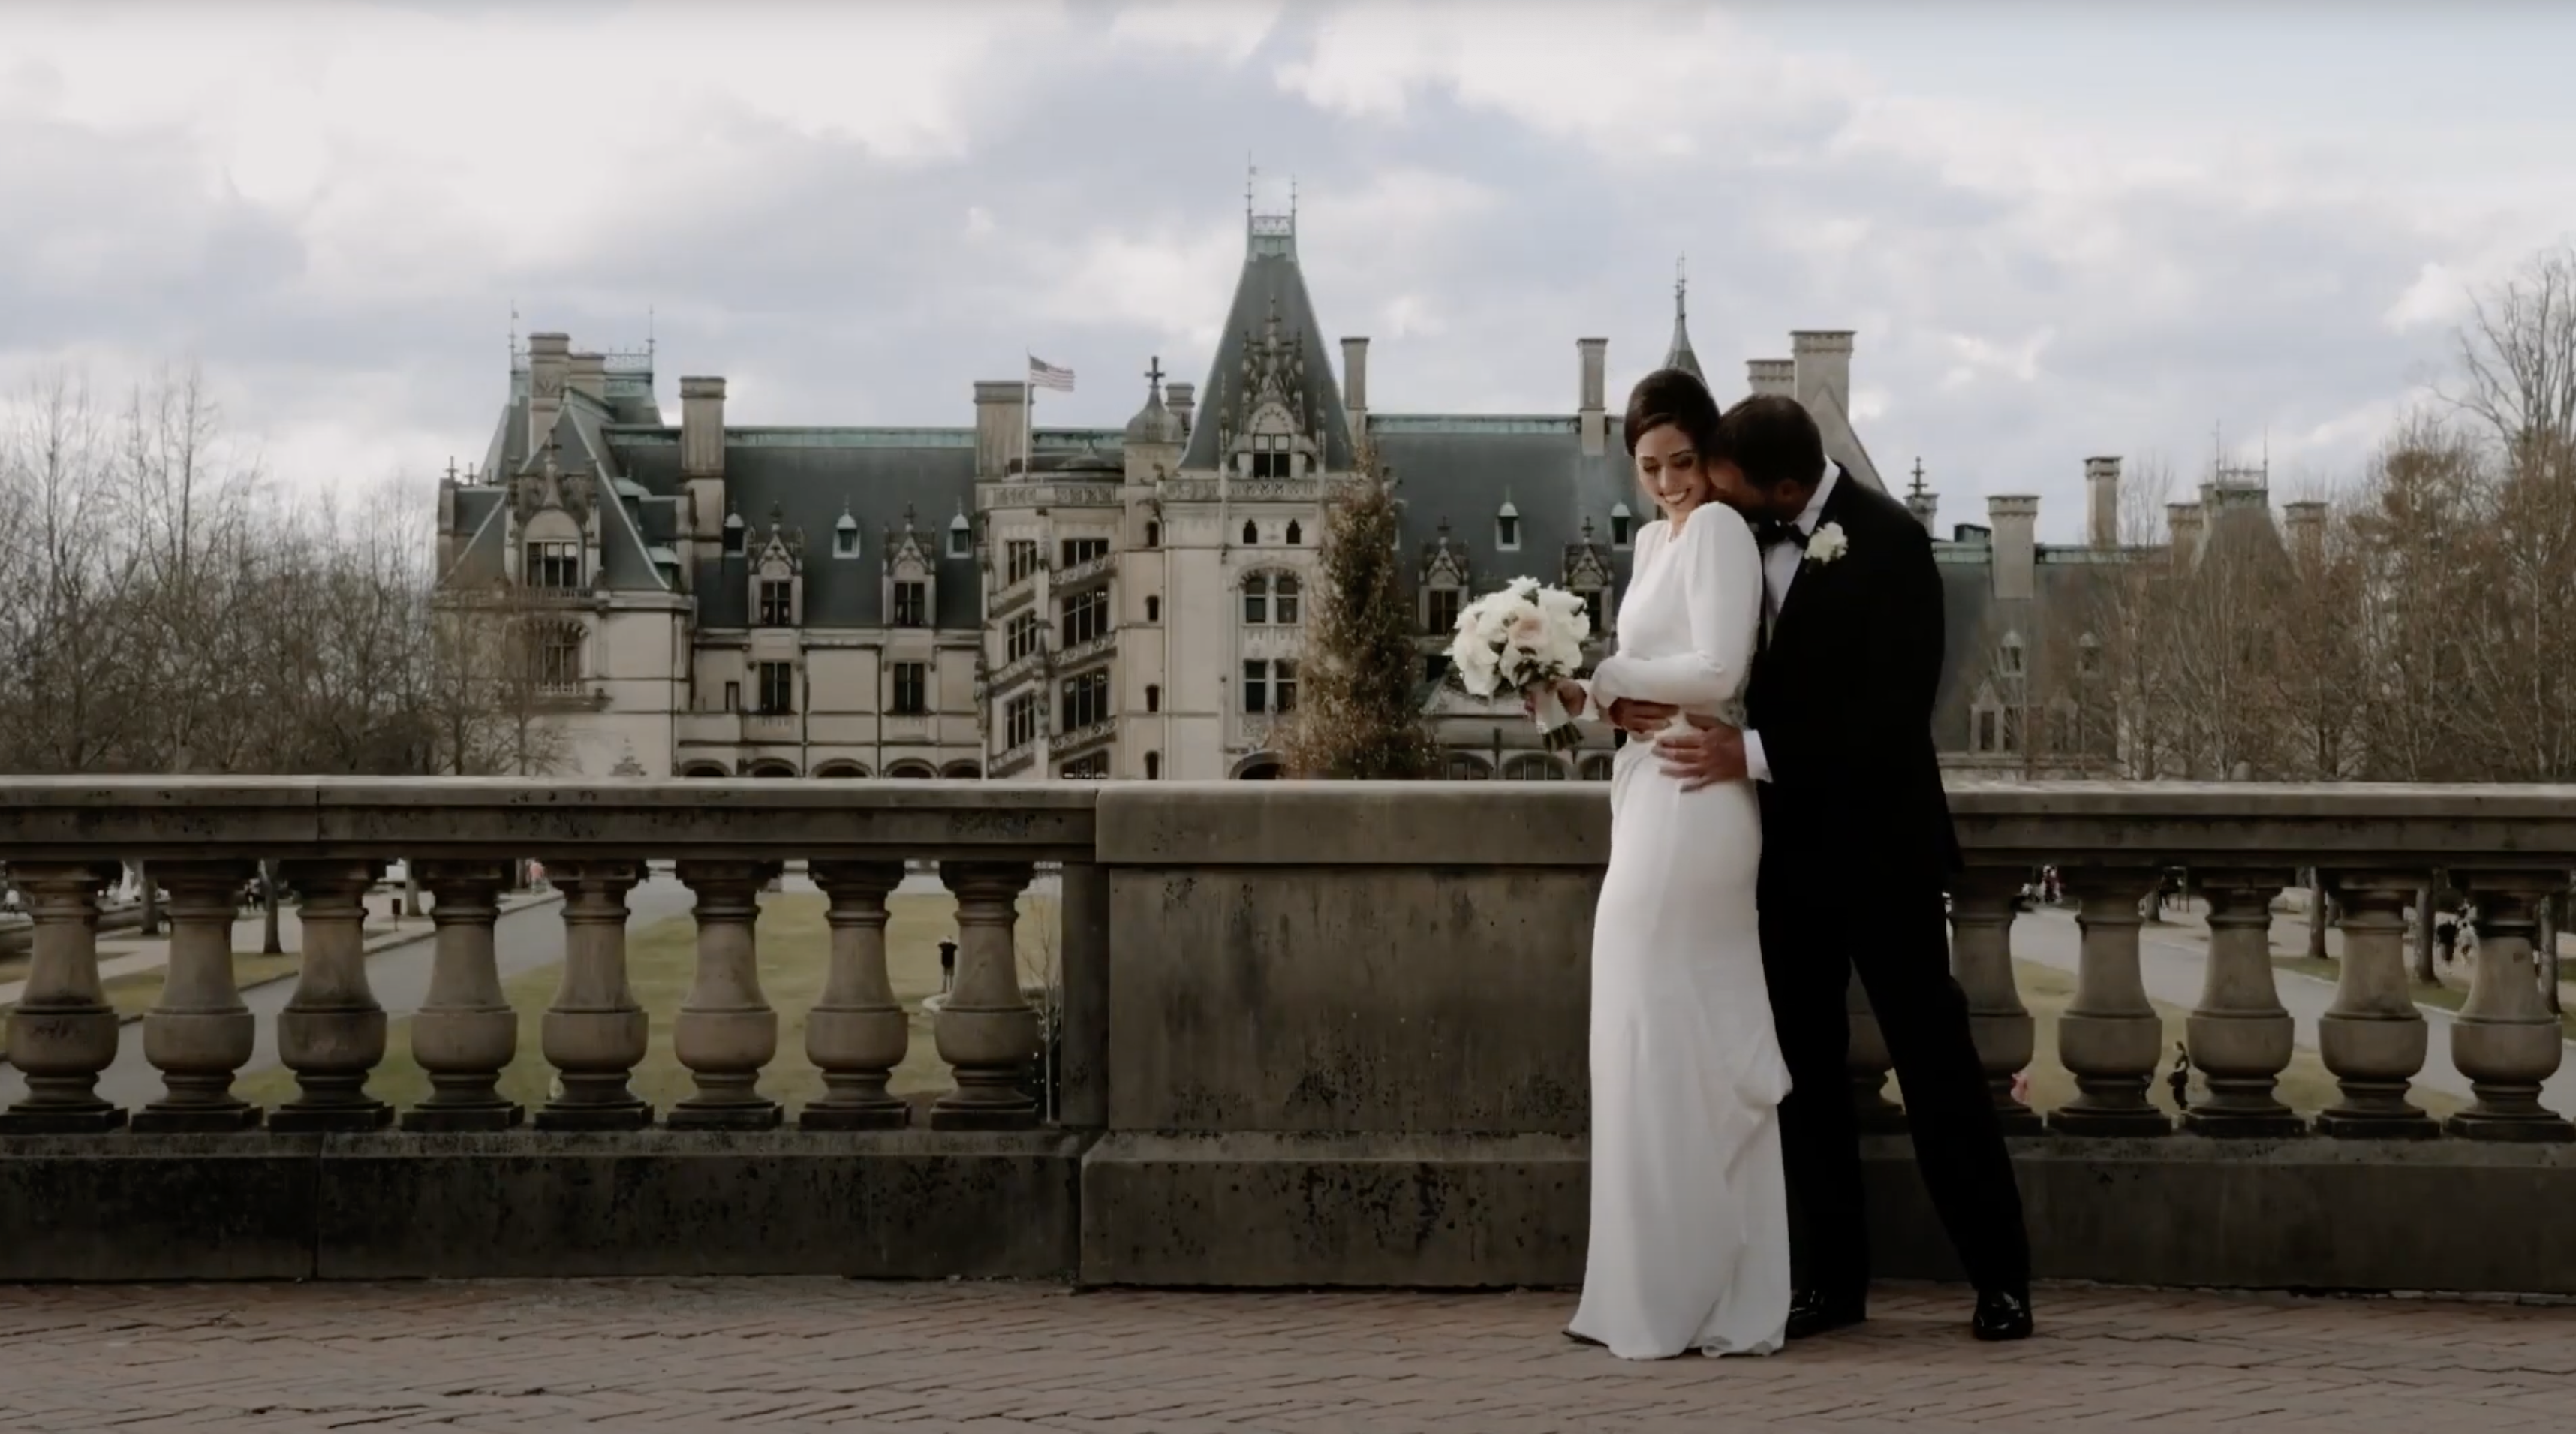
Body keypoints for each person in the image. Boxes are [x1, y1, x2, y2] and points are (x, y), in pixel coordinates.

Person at [1647, 393, 2035, 1342]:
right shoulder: (1735, 537)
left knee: (1935, 1062)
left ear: (1787, 485)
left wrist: (1758, 752)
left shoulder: (1895, 545)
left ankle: (2002, 1278)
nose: (1722, 507)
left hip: (1883, 850)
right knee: (1805, 1075)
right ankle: (1831, 1280)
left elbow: (1892, 717)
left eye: (1739, 494)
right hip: (1782, 859)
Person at [1546, 369, 1787, 1360]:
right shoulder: (1650, 541)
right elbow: (1638, 683)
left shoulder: (1723, 530)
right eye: (1650, 467)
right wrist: (1566, 689)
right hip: (1648, 785)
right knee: (1635, 1030)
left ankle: (1716, 1289)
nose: (1670, 483)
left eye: (1683, 461)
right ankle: (1647, 1283)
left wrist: (1614, 677)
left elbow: (1722, 670)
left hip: (1699, 794)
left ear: (1707, 451)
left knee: (1669, 1027)